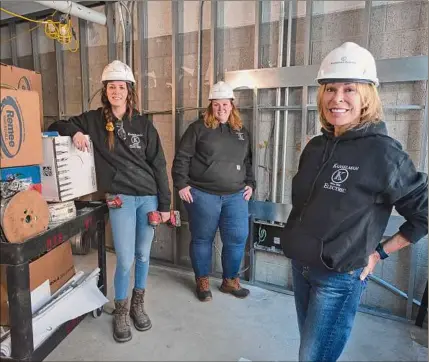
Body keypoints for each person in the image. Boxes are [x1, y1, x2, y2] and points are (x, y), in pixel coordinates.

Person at [280, 41, 428, 361]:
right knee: (309, 350)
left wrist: (378, 254)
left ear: (367, 96)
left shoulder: (384, 153)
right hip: (302, 267)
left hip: (338, 278)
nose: (338, 98)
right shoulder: (317, 146)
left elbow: (423, 215)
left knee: (313, 357)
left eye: (349, 89)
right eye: (331, 89)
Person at [49, 60, 171, 343]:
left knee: (143, 255)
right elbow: (57, 124)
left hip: (148, 198)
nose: (117, 91)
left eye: (121, 87)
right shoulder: (94, 120)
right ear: (106, 91)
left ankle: (138, 306)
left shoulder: (143, 124)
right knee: (126, 259)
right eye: (111, 87)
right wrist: (75, 132)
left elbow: (160, 165)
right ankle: (121, 309)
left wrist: (164, 206)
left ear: (129, 91)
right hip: (121, 199)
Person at [172, 81, 256, 302]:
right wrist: (181, 184)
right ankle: (202, 281)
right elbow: (182, 157)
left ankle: (230, 281)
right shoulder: (197, 129)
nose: (221, 109)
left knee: (237, 238)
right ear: (210, 106)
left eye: (225, 104)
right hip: (203, 194)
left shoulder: (241, 132)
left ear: (232, 105)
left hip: (236, 196)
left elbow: (248, 161)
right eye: (216, 105)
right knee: (202, 239)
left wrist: (251, 183)